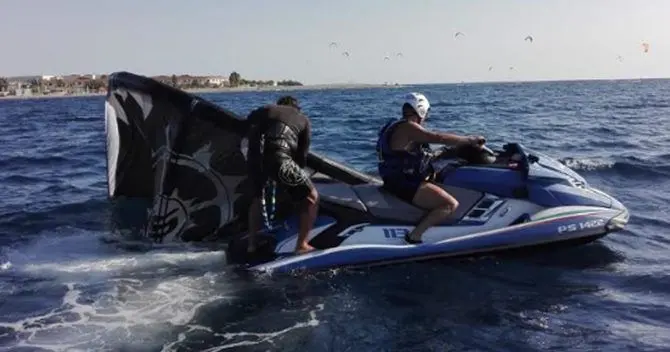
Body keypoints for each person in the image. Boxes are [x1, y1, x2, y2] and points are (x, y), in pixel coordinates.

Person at [376, 92, 486, 244]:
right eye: (426, 113)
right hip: (404, 184)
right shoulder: (409, 127)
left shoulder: (394, 125)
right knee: (449, 204)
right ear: (421, 111)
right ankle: (415, 236)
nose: (426, 117)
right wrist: (469, 140)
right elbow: (437, 138)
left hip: (394, 179)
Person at [245, 96, 319, 255]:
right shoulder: (303, 119)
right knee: (312, 197)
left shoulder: (267, 109)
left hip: (255, 160)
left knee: (257, 198)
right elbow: (301, 158)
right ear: (297, 108)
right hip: (280, 158)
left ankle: (252, 244)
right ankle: (302, 245)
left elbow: (248, 121)